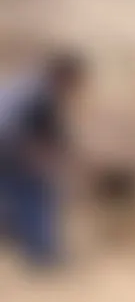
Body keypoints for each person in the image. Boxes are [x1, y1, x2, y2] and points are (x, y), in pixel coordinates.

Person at [0, 51, 85, 269]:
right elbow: (14, 132)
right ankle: (42, 255)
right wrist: (43, 162)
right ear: (63, 76)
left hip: (12, 154)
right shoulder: (37, 95)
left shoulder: (28, 88)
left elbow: (54, 135)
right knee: (36, 195)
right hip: (11, 154)